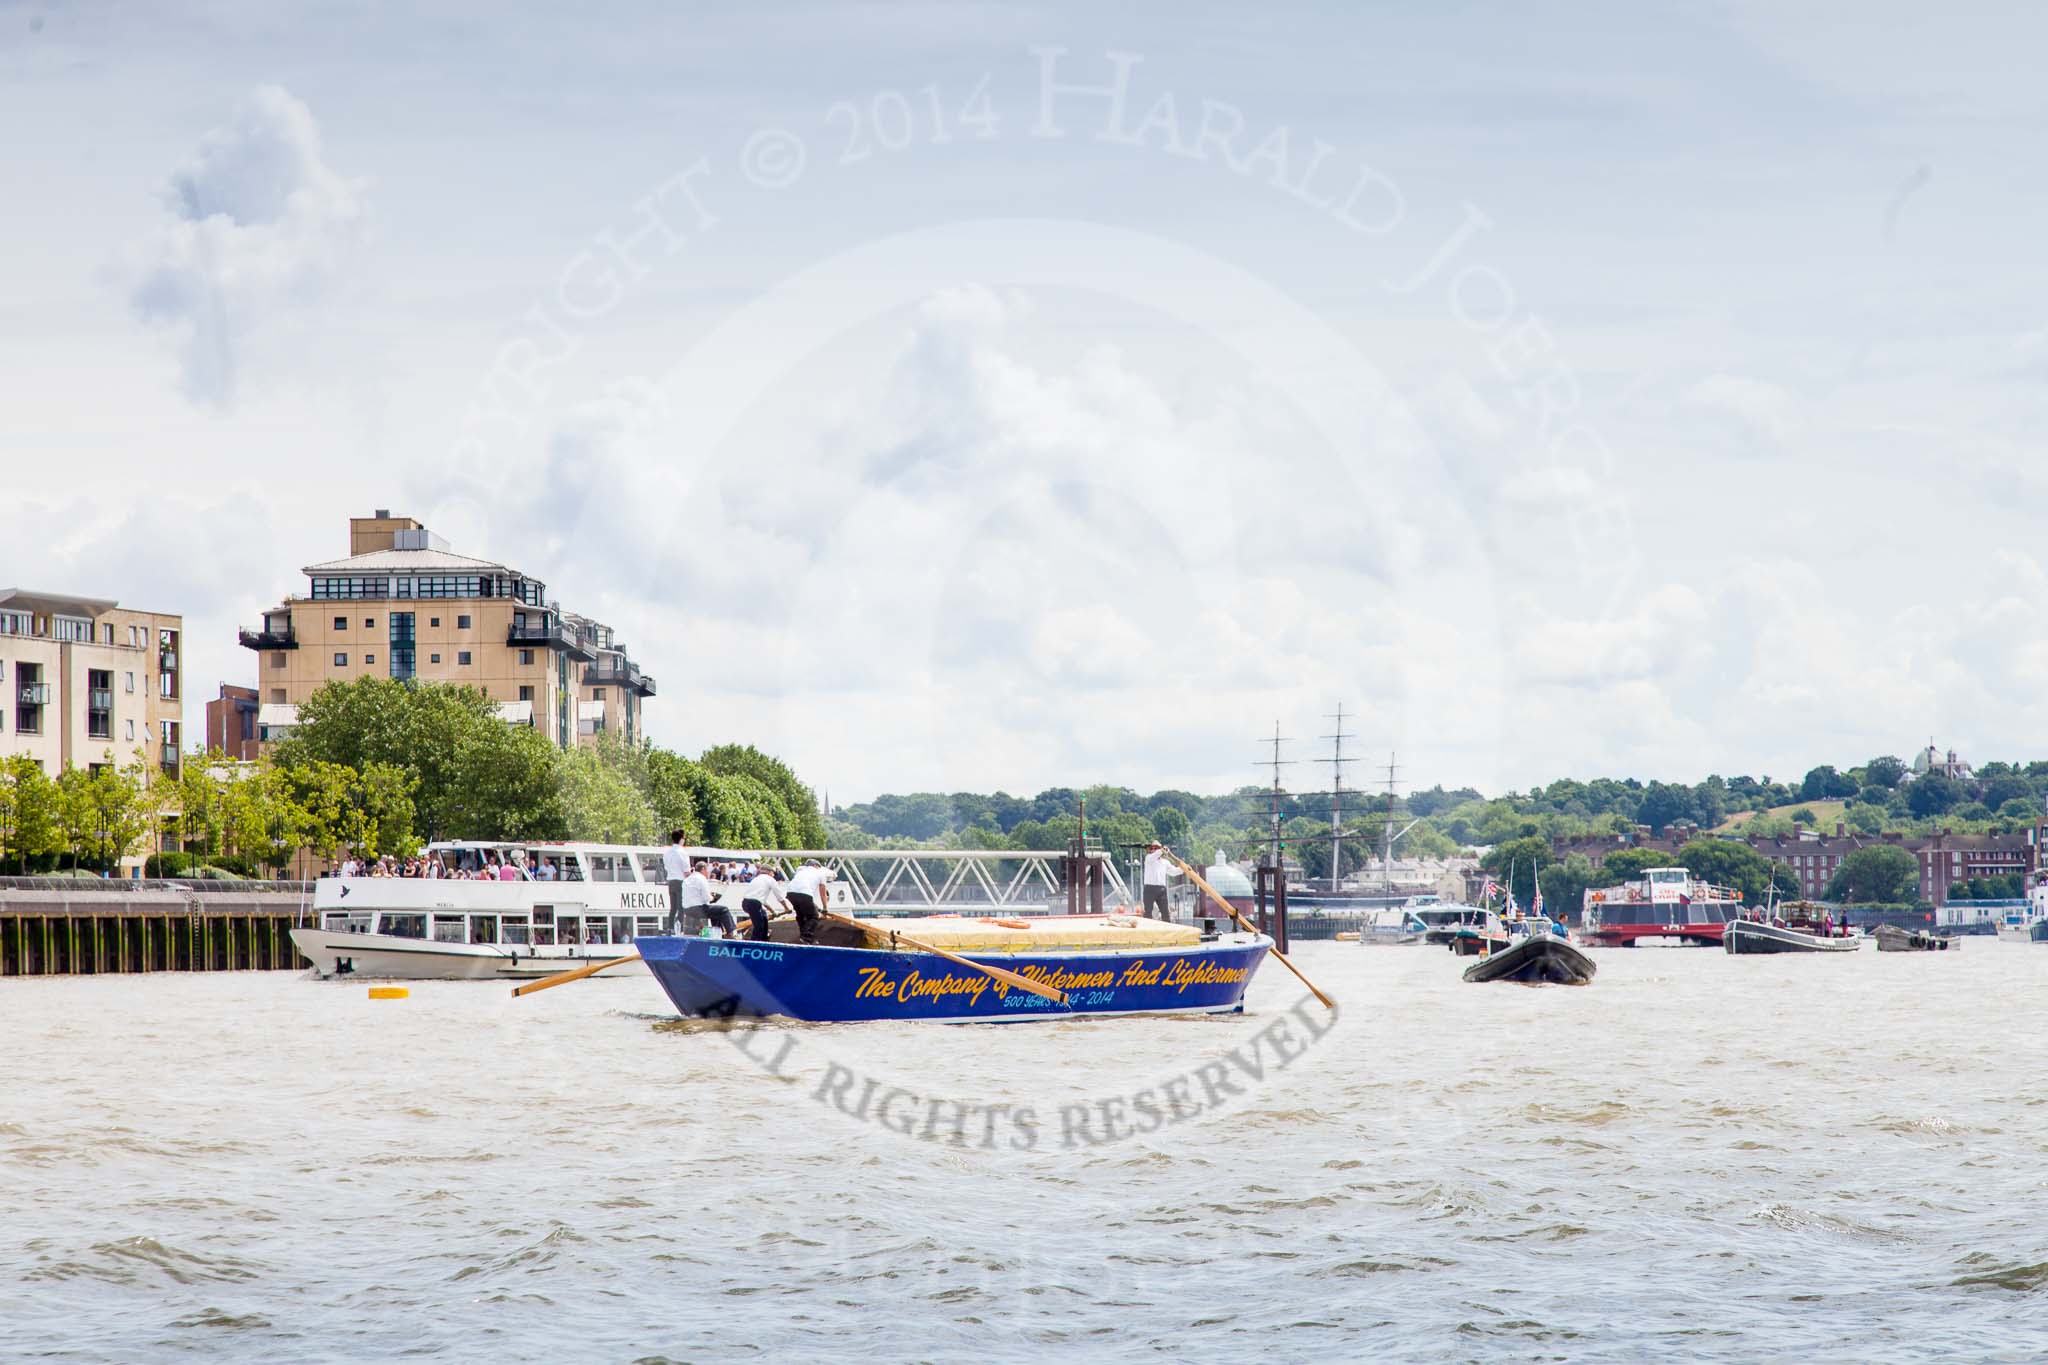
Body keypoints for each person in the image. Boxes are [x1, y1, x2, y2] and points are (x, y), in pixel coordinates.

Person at [679, 857, 735, 937]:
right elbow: (706, 898)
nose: (708, 872)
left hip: (687, 909)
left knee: (715, 912)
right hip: (698, 909)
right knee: (724, 910)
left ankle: (718, 933)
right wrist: (713, 897)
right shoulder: (701, 878)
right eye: (707, 870)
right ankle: (730, 934)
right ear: (703, 869)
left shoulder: (687, 880)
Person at [785, 859, 835, 945]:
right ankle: (806, 938)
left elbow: (804, 897)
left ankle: (802, 936)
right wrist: (825, 908)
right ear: (816, 866)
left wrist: (814, 905)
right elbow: (823, 894)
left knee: (800, 915)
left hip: (790, 893)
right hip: (805, 894)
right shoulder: (820, 873)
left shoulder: (801, 871)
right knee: (814, 917)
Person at [740, 866, 790, 942]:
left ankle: (763, 938)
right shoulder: (770, 879)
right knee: (759, 926)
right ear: (770, 872)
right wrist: (786, 908)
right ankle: (755, 943)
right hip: (754, 904)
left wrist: (773, 912)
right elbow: (780, 897)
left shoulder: (757, 879)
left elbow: (763, 901)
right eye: (773, 873)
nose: (774, 875)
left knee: (764, 917)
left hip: (746, 903)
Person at [661, 829, 693, 934]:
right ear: (681, 839)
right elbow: (686, 872)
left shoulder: (667, 853)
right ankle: (680, 929)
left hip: (671, 881)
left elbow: (666, 867)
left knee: (673, 908)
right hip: (680, 881)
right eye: (684, 838)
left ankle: (670, 928)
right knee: (681, 908)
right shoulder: (683, 853)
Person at [1140, 841, 1175, 920]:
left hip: (1161, 889)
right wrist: (1162, 850)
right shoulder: (1148, 858)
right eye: (1152, 848)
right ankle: (1147, 930)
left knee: (1165, 912)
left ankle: (1167, 930)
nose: (1153, 850)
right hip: (1149, 889)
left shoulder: (1165, 862)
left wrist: (1184, 869)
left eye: (1156, 848)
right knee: (1148, 912)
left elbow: (1173, 872)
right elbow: (1155, 855)